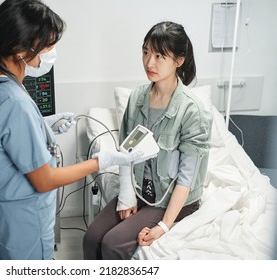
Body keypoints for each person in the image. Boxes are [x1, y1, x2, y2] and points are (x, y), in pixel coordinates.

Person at [0, 0, 143, 260]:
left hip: (8, 214)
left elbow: (4, 138)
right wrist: (100, 162)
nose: (53, 50)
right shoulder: (14, 102)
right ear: (21, 48)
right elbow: (44, 180)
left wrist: (42, 127)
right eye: (49, 43)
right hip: (24, 219)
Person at [83, 21, 213, 260]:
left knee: (112, 244)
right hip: (141, 192)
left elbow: (186, 178)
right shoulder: (137, 98)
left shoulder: (192, 111)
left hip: (173, 199)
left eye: (159, 55)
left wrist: (163, 226)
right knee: (92, 238)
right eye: (145, 52)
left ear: (179, 60)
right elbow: (125, 151)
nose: (149, 62)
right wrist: (127, 195)